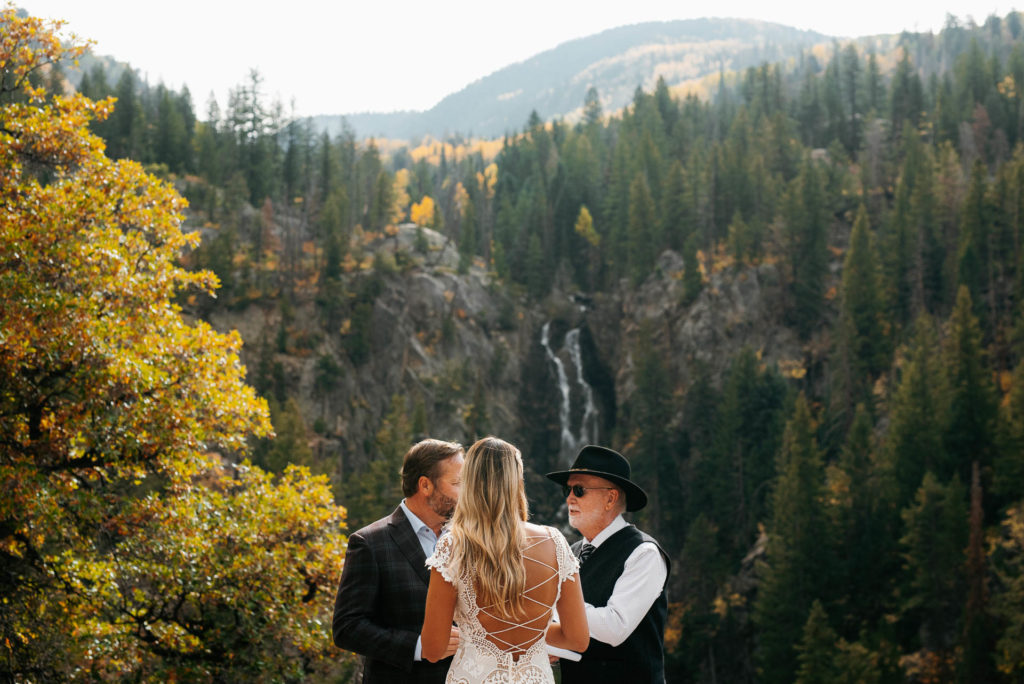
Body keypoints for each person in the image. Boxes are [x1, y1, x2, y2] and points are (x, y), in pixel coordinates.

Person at [420, 436, 589, 683]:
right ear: (517, 481)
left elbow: (433, 650)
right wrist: (534, 628)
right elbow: (577, 639)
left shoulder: (454, 545)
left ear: (469, 481)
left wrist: (473, 632)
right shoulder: (555, 542)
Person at [333, 438, 465, 683]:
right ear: (425, 485)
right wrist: (418, 647)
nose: (466, 493)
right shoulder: (369, 543)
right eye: (457, 483)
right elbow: (347, 628)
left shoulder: (469, 540)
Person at [546, 445, 671, 683]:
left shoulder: (644, 553)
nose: (570, 498)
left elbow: (615, 627)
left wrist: (551, 599)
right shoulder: (570, 553)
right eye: (567, 489)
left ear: (610, 498)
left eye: (579, 490)